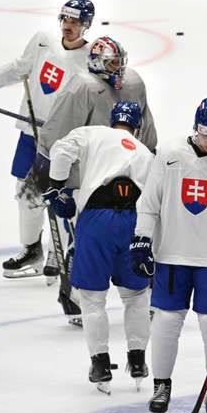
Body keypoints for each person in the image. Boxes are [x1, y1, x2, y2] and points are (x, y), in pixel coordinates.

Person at [0, 0, 94, 280]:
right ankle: (33, 250)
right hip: (30, 134)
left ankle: (61, 254)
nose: (68, 27)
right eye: (65, 20)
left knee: (61, 197)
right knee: (26, 196)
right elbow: (19, 67)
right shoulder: (43, 41)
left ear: (86, 25)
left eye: (75, 22)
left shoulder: (90, 61)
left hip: (63, 142)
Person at [131, 98, 207, 413]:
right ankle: (161, 386)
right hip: (172, 255)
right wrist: (142, 239)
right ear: (195, 128)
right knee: (165, 322)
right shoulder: (169, 153)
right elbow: (149, 202)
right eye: (204, 134)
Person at [41, 101, 152, 394]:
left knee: (92, 299)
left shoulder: (92, 132)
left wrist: (56, 189)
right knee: (137, 296)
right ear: (137, 128)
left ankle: (101, 364)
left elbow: (61, 151)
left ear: (111, 120)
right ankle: (138, 359)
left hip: (96, 219)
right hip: (134, 220)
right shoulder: (145, 153)